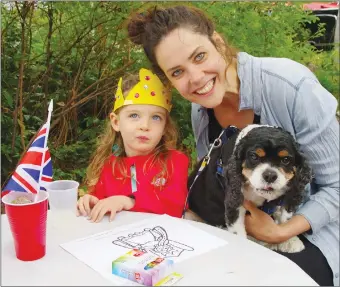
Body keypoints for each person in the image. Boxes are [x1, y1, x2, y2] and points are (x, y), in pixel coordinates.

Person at [126, 5, 339, 286]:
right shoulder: (200, 110)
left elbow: (337, 186)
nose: (197, 78)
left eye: (199, 56)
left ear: (218, 42)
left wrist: (280, 231)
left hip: (312, 232)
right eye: (178, 72)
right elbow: (221, 185)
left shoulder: (290, 86)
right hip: (243, 230)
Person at [77, 68, 189, 223]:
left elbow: (174, 206)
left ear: (165, 127)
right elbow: (99, 200)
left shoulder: (175, 162)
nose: (144, 125)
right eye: (134, 115)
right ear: (116, 122)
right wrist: (90, 201)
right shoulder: (109, 166)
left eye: (156, 117)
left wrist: (129, 201)